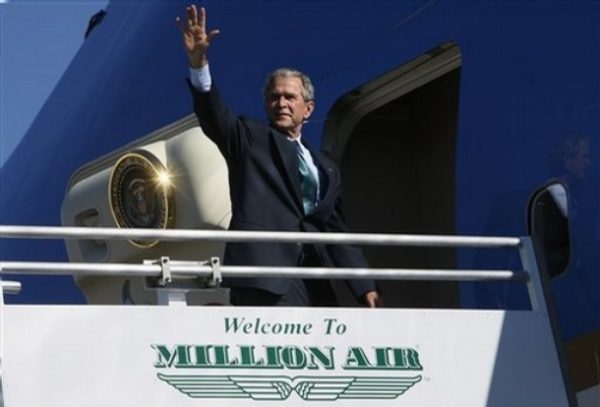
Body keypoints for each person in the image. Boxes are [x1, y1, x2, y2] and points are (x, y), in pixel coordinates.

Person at [177, 5, 382, 307]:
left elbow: (337, 232)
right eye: (274, 97)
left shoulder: (325, 168)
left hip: (314, 283)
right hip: (264, 278)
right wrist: (199, 65)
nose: (281, 103)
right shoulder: (249, 138)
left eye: (290, 97)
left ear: (307, 108)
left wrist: (365, 287)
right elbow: (215, 117)